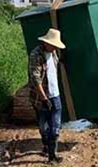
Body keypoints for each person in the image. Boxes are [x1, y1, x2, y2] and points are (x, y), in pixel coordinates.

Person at [28, 28, 65, 164]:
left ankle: (52, 156)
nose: (55, 47)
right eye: (53, 44)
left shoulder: (54, 53)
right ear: (46, 43)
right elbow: (35, 78)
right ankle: (45, 144)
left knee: (55, 129)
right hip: (41, 97)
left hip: (55, 95)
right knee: (43, 128)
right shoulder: (36, 55)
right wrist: (44, 98)